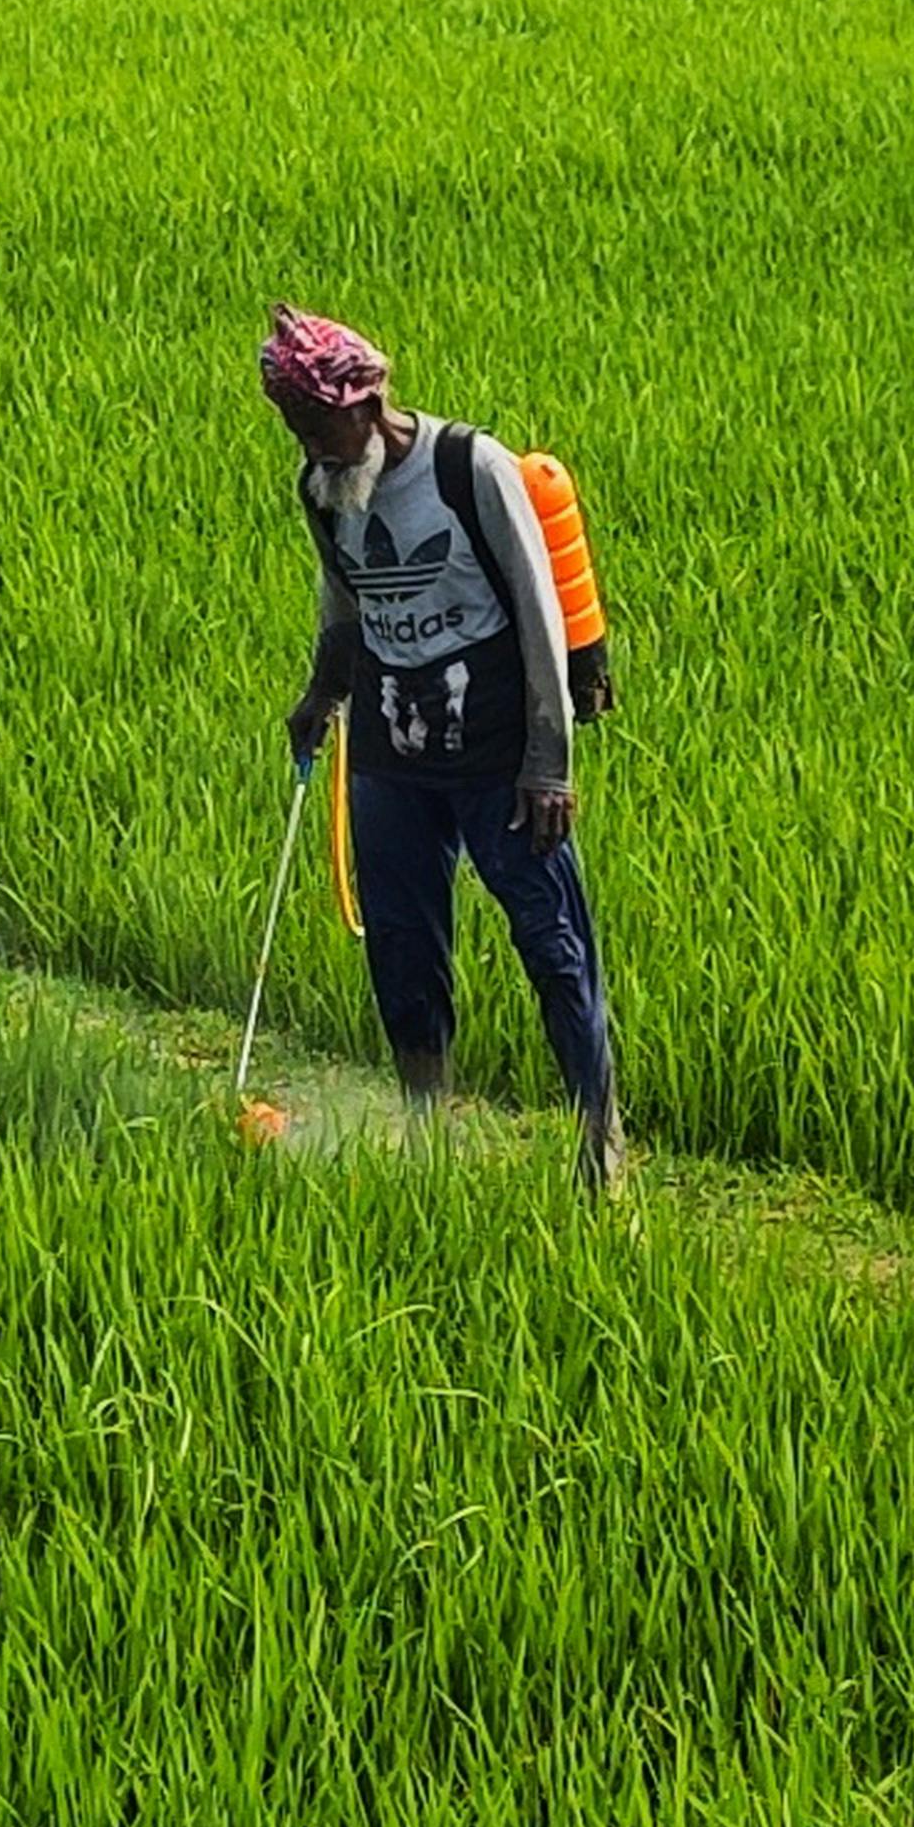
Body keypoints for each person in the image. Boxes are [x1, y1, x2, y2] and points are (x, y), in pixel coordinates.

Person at [261, 309, 626, 1193]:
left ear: (366, 402)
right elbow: (345, 605)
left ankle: (600, 1148)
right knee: (401, 955)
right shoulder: (322, 487)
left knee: (556, 950)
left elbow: (539, 616)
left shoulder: (470, 468)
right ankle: (428, 1140)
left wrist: (549, 763)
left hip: (500, 754)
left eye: (318, 424)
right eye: (295, 427)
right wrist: (322, 694)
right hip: (392, 751)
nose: (311, 444)